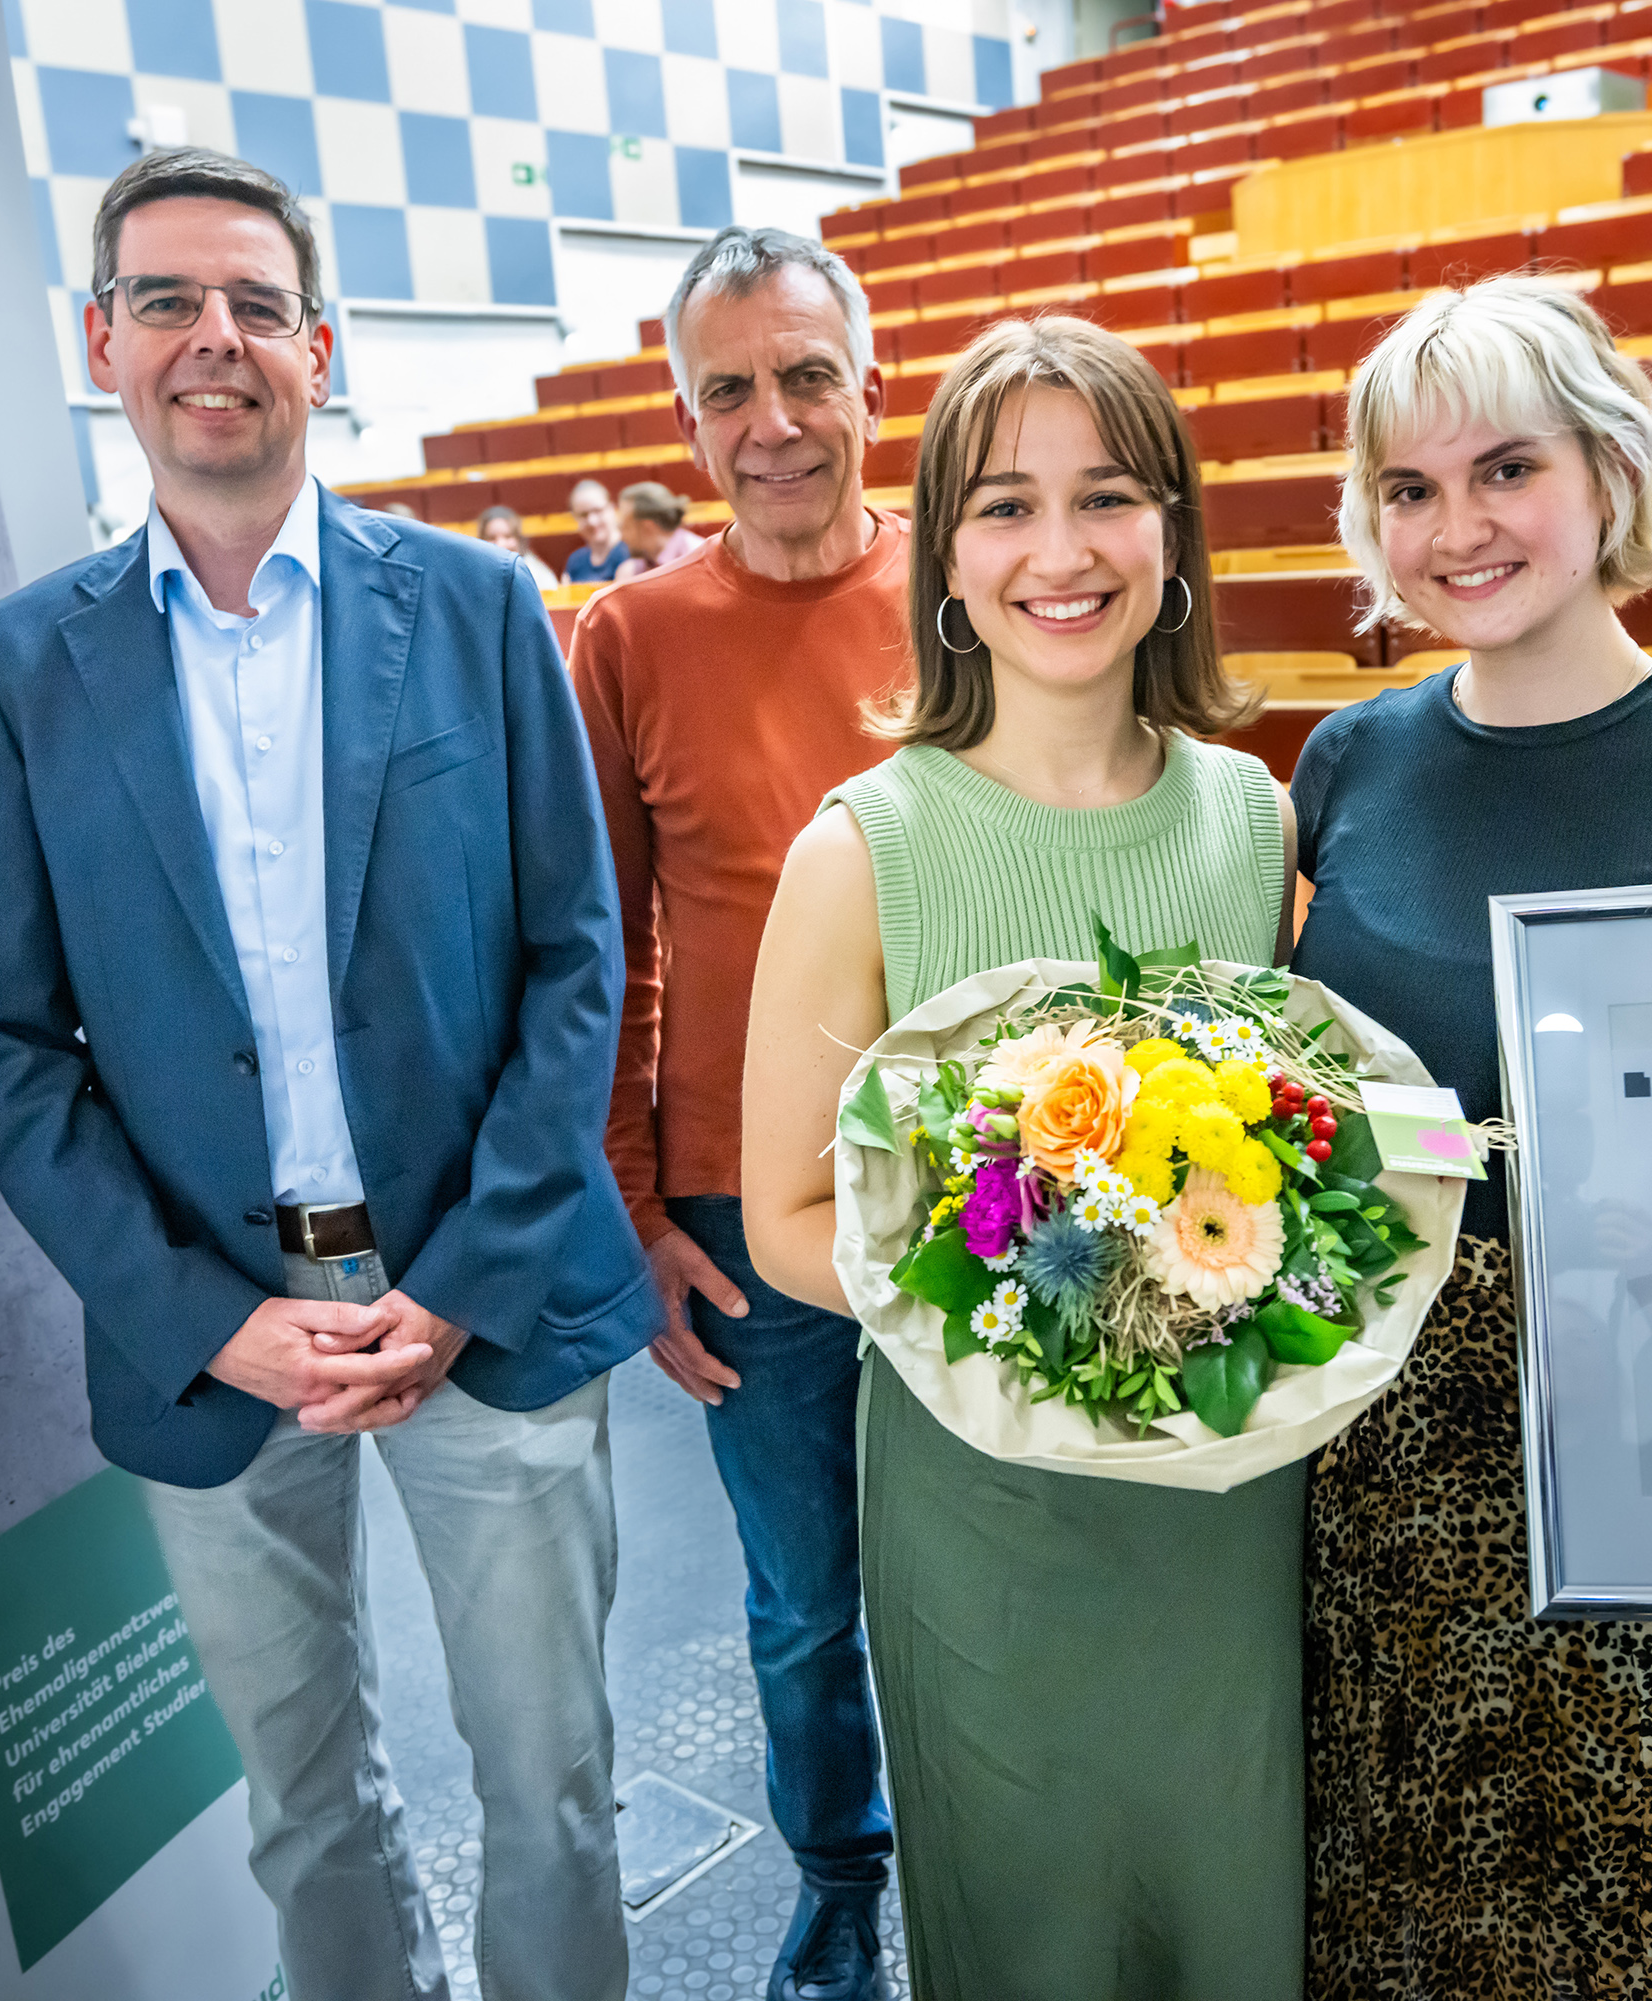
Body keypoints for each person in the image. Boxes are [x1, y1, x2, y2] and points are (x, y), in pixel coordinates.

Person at [0, 147, 657, 2001]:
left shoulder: (485, 607)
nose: (214, 337)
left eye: (257, 301)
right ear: (103, 340)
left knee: (553, 1786)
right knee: (305, 1803)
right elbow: (9, 1055)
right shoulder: (20, 668)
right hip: (213, 1329)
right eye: (167, 298)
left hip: (477, 1294)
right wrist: (211, 1319)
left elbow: (577, 964)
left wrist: (459, 1283)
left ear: (322, 347)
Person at [1288, 280, 1652, 1999]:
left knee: (1650, 1915)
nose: (1457, 526)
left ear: (1610, 471)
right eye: (1408, 488)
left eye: (1505, 468)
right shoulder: (1344, 761)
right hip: (1377, 1463)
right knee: (1397, 1905)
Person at [742, 314, 1301, 2001]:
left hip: (1220, 1508)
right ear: (946, 560)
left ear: (1174, 536)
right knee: (1031, 1930)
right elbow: (782, 1218)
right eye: (1003, 507)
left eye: (1108, 496)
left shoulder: (1255, 817)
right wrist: (1027, 1315)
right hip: (985, 1517)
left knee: (1229, 1905)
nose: (1060, 552)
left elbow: (1293, 1155)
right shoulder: (862, 848)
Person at [567, 224, 908, 2001]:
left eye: (802, 376)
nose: (770, 422)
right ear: (689, 422)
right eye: (728, 392)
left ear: (871, 381)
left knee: (985, 1572)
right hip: (733, 1206)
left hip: (970, 1186)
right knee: (801, 1607)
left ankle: (1007, 1853)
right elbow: (601, 940)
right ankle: (841, 1877)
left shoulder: (970, 580)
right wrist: (636, 1213)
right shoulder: (628, 631)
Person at [615, 480, 703, 577]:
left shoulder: (698, 558)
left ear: (648, 526)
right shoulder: (634, 568)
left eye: (626, 527)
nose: (622, 537)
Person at [478, 502, 560, 588]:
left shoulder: (538, 574)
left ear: (519, 540)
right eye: (491, 538)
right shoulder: (475, 575)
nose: (500, 544)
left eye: (508, 536)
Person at [564, 478, 624, 583]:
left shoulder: (632, 554)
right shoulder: (575, 561)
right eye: (583, 515)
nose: (592, 521)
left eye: (597, 511)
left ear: (612, 508)